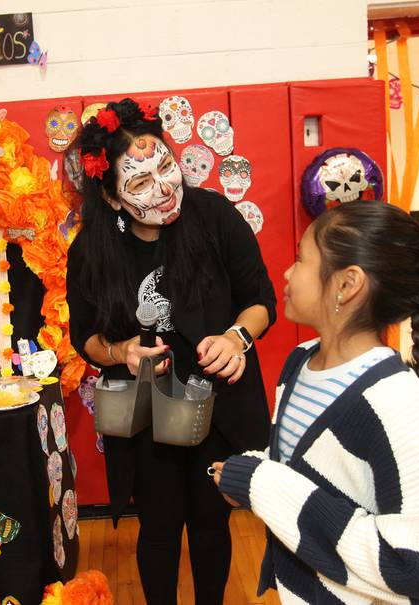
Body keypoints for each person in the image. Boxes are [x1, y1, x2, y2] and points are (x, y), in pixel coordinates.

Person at [66, 98, 276, 604]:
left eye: (165, 164)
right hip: (147, 415)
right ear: (113, 199)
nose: (164, 186)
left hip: (216, 406)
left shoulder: (214, 216)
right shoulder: (92, 250)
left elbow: (260, 299)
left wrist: (235, 339)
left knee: (210, 520)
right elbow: (86, 338)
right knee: (158, 527)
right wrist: (119, 352)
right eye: (139, 183)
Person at [212, 201, 419, 604]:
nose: (287, 273)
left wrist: (265, 484)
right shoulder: (300, 362)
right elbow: (314, 471)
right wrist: (254, 470)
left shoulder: (397, 401)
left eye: (300, 259)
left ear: (347, 284)